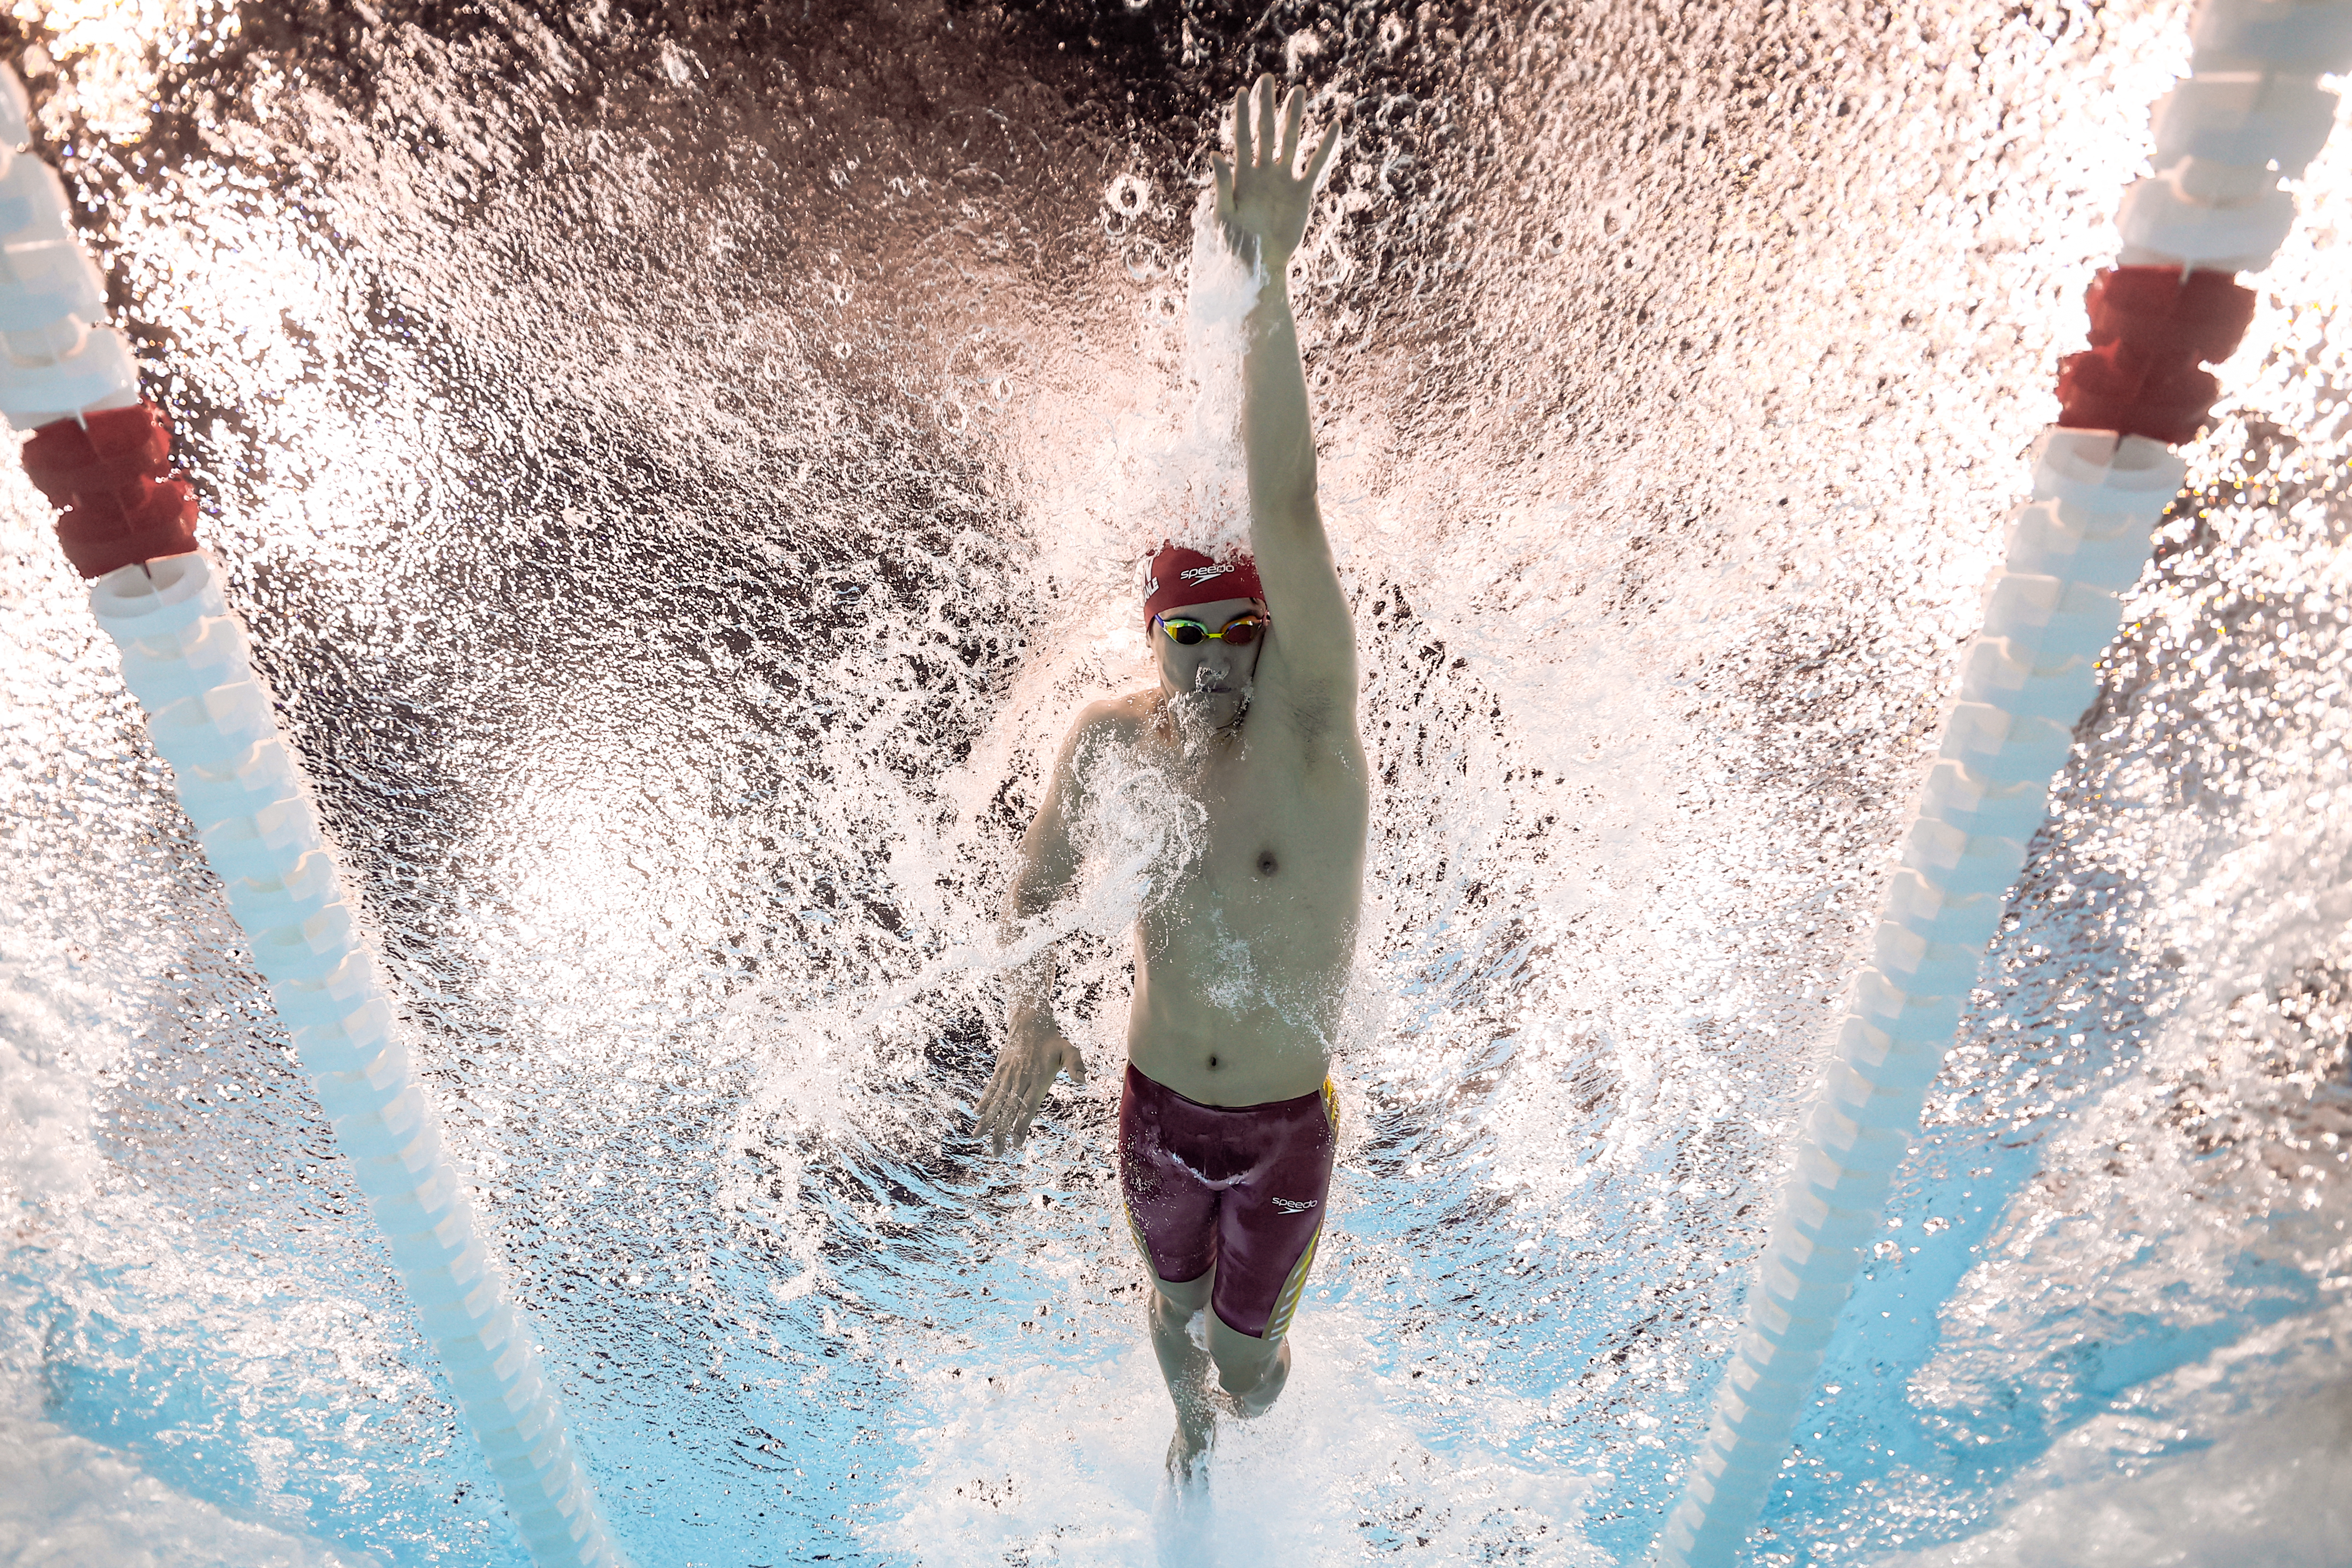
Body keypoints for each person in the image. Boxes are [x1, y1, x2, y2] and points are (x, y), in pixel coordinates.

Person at [973, 75, 1365, 1485]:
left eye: (1235, 633)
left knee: (1254, 1373)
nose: (1208, 662)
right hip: (1150, 1105)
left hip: (1278, 1132)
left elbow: (1291, 508)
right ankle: (1181, 1410)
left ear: (1273, 639)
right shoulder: (1113, 737)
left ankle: (1235, 1400)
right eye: (1182, 634)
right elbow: (1042, 880)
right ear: (1154, 638)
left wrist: (1266, 287)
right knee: (1173, 1315)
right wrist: (1032, 1021)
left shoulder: (1314, 737)